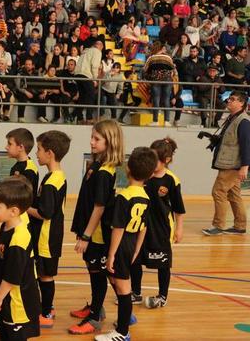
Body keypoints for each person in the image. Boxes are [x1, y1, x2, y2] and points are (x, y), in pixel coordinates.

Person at [69, 120, 125, 335]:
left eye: (97, 139)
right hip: (90, 229)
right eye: (91, 137)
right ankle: (95, 306)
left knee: (98, 273)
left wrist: (86, 235)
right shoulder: (96, 164)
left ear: (110, 142)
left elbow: (99, 207)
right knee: (94, 271)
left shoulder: (104, 172)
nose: (91, 142)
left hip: (99, 233)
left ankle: (95, 318)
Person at [97, 147, 157, 341]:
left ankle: (122, 332)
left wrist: (112, 254)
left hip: (121, 244)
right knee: (117, 281)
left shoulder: (124, 196)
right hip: (131, 244)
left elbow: (119, 228)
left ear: (128, 169)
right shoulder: (146, 196)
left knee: (123, 288)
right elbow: (144, 228)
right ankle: (125, 321)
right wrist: (137, 249)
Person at [128, 138, 185, 310]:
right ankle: (135, 293)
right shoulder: (144, 176)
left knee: (163, 263)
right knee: (135, 259)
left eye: (156, 160)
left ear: (166, 160)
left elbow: (178, 208)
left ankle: (162, 296)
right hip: (142, 225)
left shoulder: (172, 180)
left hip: (161, 228)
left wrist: (179, 229)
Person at [0, 177, 40, 341]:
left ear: (14, 211)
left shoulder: (19, 239)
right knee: (4, 332)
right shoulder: (6, 225)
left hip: (17, 301)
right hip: (6, 295)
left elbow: (12, 276)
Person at [202, 91, 250, 236]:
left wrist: (245, 166)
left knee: (218, 192)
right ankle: (240, 226)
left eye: (232, 99)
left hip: (233, 166)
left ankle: (218, 226)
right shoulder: (233, 118)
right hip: (230, 164)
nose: (228, 102)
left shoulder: (243, 122)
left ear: (241, 103)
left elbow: (247, 146)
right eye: (228, 99)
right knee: (234, 195)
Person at [33, 130, 71, 328]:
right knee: (44, 274)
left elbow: (45, 213)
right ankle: (48, 307)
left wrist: (23, 208)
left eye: (39, 149)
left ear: (50, 153)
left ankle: (46, 312)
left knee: (45, 275)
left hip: (47, 236)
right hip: (52, 234)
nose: (36, 154)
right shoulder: (57, 176)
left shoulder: (51, 182)